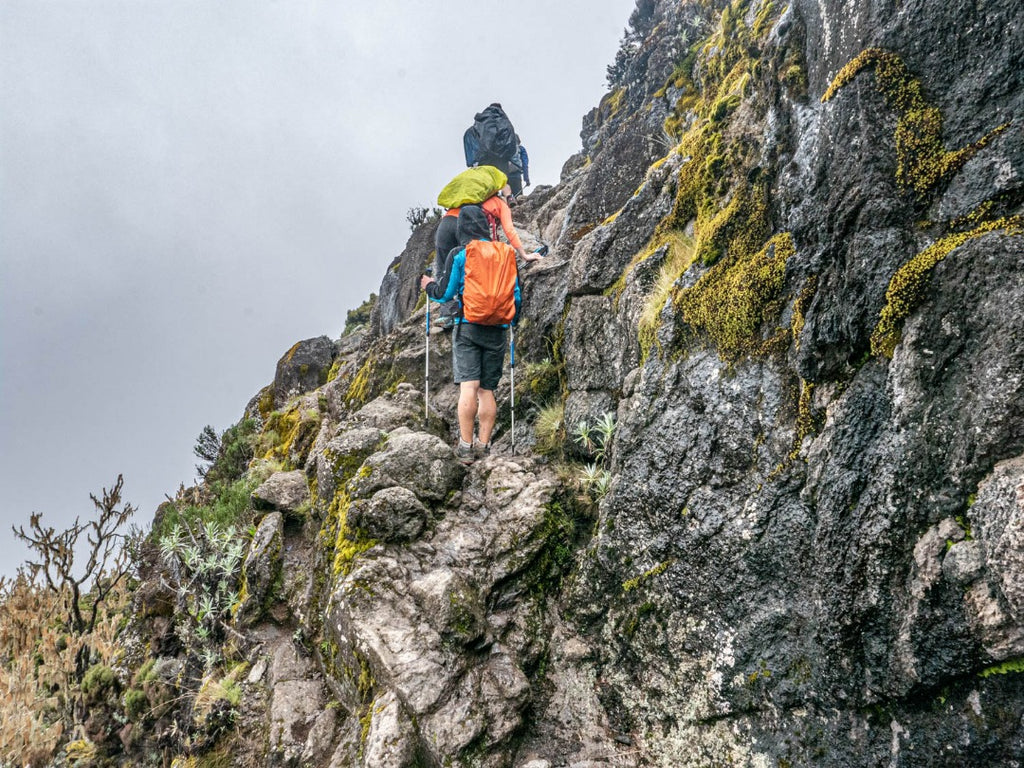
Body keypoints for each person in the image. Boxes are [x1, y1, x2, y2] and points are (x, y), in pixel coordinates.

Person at [421, 206, 520, 463]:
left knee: (469, 387)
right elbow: (515, 295)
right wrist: (513, 321)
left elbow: (444, 293)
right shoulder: (506, 253)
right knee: (487, 390)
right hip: (498, 329)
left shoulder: (460, 254)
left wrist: (427, 286)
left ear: (462, 227)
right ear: (485, 226)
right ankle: (484, 445)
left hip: (468, 326)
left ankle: (465, 447)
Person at [433, 183, 542, 325]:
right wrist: (524, 255)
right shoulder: (500, 204)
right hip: (464, 225)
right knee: (473, 261)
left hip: (445, 224)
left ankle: (446, 315)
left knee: (444, 268)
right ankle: (470, 309)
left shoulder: (469, 200)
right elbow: (509, 230)